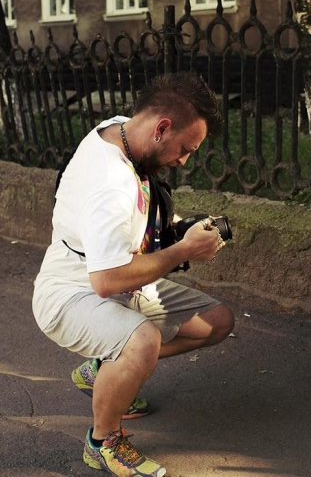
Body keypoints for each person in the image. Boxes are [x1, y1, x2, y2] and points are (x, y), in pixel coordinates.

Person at [33, 71, 235, 476]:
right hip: (71, 293)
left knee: (216, 322)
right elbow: (106, 280)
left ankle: (104, 370)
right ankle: (103, 441)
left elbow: (129, 222)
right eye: (185, 148)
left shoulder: (117, 132)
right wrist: (183, 250)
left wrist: (174, 227)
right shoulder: (110, 183)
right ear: (161, 128)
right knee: (141, 342)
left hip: (113, 278)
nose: (183, 160)